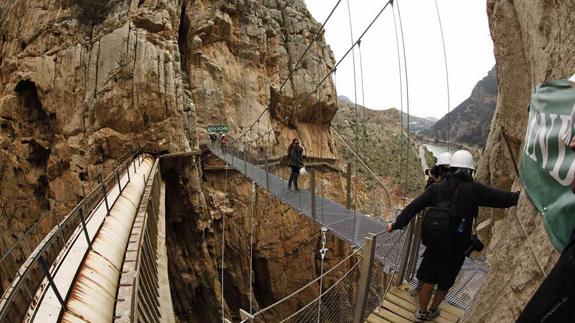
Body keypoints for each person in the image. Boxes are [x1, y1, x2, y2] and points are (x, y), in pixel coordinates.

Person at [386, 150, 520, 322]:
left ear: (451, 168)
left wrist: (396, 225)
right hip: (456, 249)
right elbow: (502, 198)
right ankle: (433, 310)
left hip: (435, 244)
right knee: (444, 284)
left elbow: (413, 207)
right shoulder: (475, 190)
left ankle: (421, 312)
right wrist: (518, 196)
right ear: (470, 171)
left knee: (428, 280)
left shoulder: (436, 188)